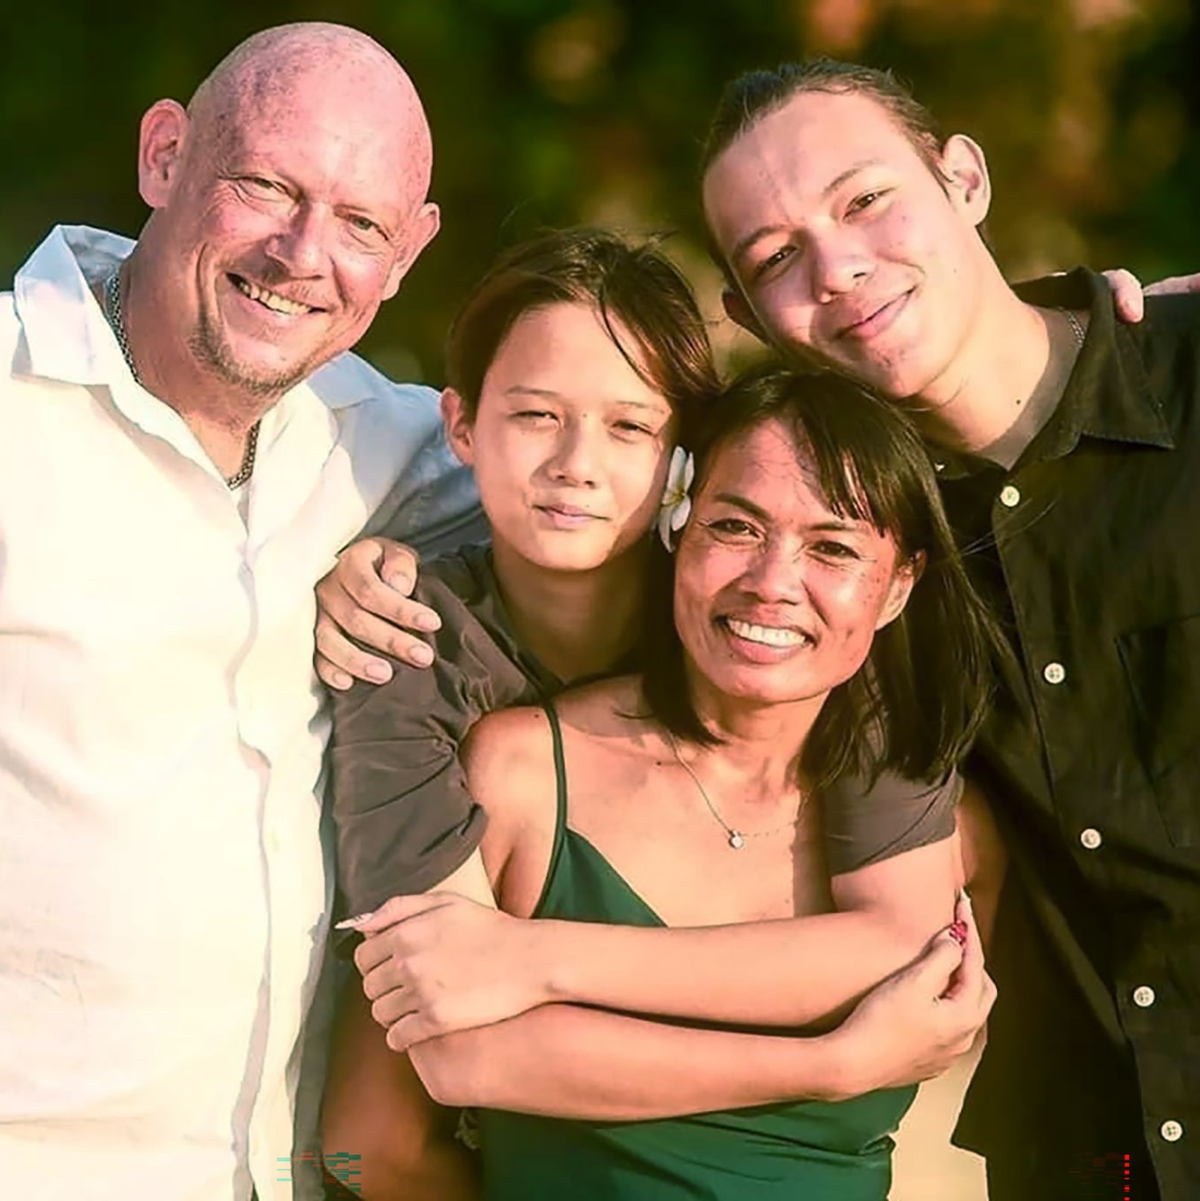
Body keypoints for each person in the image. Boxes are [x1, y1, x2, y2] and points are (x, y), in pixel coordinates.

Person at [691, 60, 1198, 1201]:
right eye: (774, 257)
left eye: (866, 199)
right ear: (745, 316)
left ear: (963, 176)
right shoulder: (840, 553)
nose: (838, 266)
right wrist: (374, 564)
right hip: (1094, 1160)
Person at [0, 23, 483, 1201]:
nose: (304, 254)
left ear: (408, 253)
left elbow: (639, 504)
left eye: (363, 224)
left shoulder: (397, 447)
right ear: (165, 155)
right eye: (266, 184)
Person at [333, 363, 998, 1200]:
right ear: (676, 526)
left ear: (899, 585)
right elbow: (369, 1144)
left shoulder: (942, 823)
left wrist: (535, 961)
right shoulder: (522, 776)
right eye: (735, 526)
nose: (772, 580)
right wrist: (831, 1064)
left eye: (831, 547)